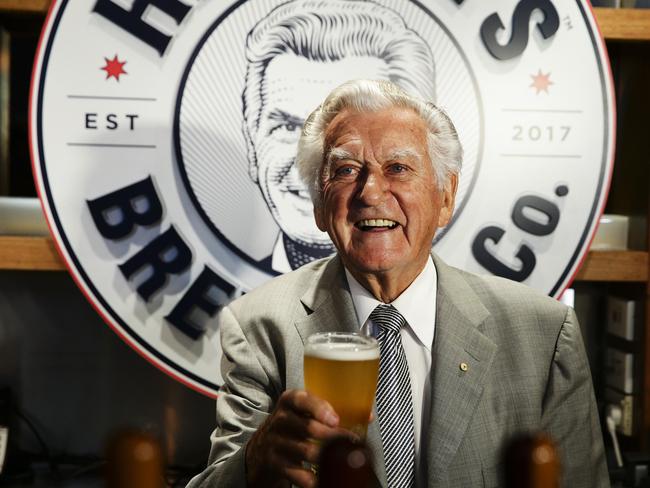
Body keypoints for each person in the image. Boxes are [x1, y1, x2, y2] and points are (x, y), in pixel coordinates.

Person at [188, 80, 609, 487]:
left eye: (398, 167)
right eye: (347, 169)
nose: (370, 191)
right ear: (319, 206)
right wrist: (255, 461)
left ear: (445, 197)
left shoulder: (545, 333)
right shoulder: (258, 327)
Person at [241, 0, 436, 273]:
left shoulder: (509, 312)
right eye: (286, 128)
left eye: (348, 135)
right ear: (253, 147)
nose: (310, 164)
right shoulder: (244, 315)